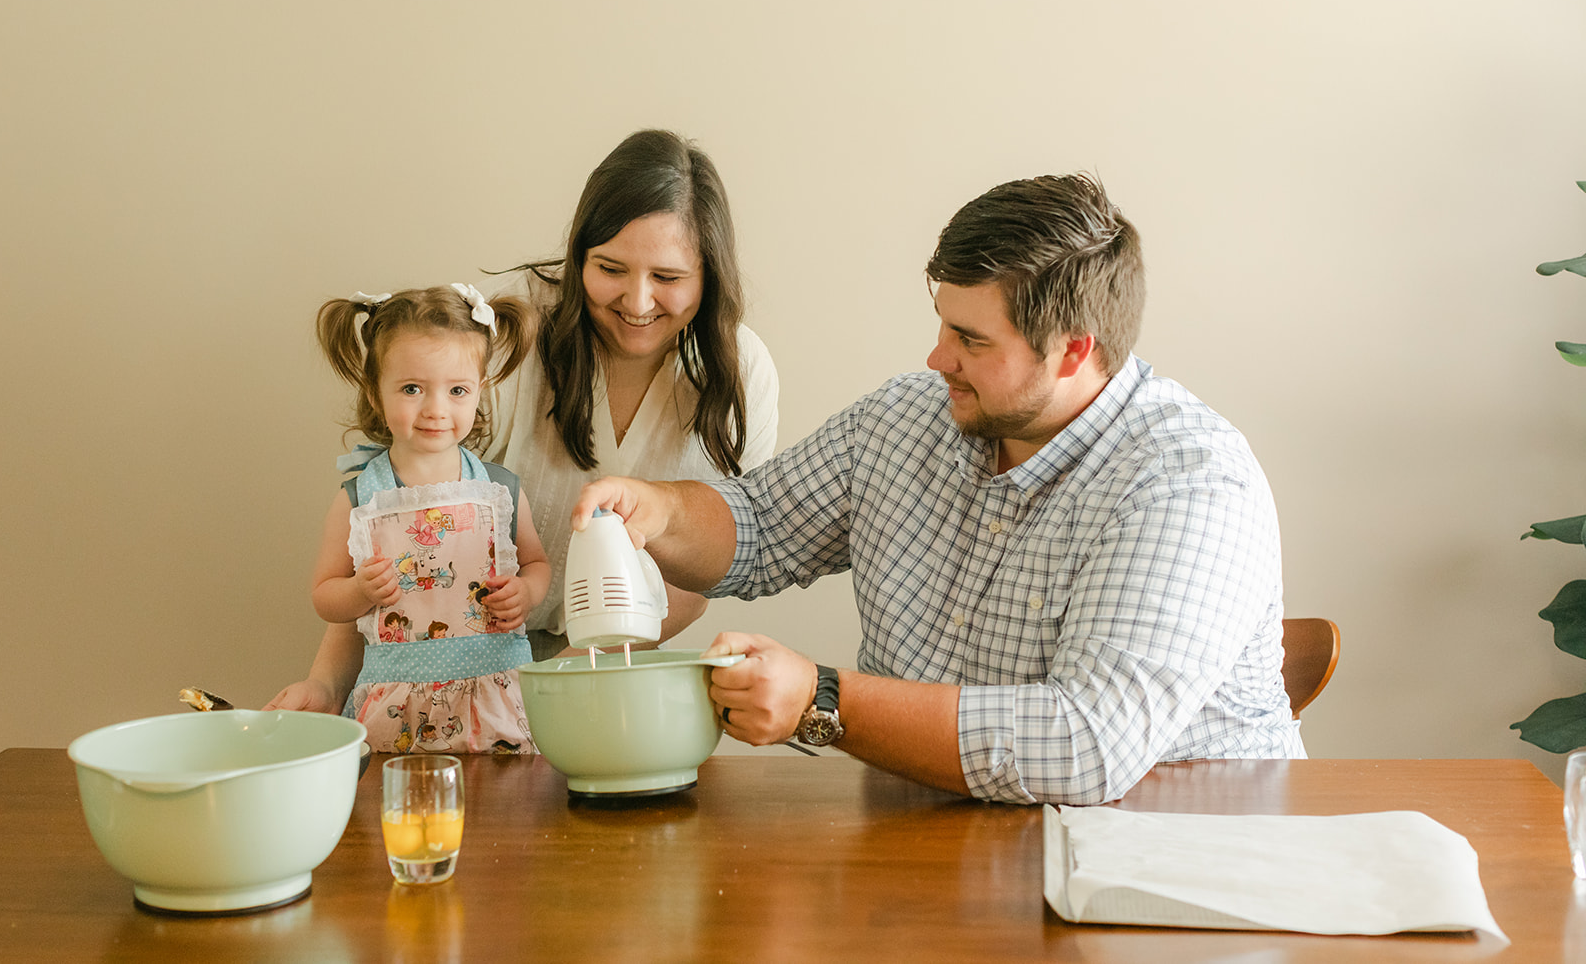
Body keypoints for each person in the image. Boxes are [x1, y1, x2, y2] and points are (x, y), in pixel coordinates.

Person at [572, 173, 1303, 806]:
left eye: (971, 339)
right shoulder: (907, 417)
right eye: (942, 325)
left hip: (1173, 882)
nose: (937, 356)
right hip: (934, 848)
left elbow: (1082, 746)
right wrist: (660, 508)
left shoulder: (1190, 483)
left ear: (1076, 349)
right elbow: (758, 525)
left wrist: (821, 699)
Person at [266, 129, 779, 712]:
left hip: (616, 660)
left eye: (668, 278)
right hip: (457, 661)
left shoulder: (741, 373)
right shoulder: (508, 337)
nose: (638, 303)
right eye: (610, 268)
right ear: (578, 253)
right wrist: (327, 684)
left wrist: (552, 685)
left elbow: (700, 574)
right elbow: (394, 520)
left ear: (710, 276)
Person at [309, 284, 551, 753]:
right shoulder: (360, 499)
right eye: (412, 388)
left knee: (507, 816)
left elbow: (537, 564)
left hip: (496, 695)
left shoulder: (498, 490)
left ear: (479, 391)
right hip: (395, 704)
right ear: (376, 393)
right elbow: (324, 595)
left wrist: (527, 592)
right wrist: (359, 592)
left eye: (457, 390)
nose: (437, 409)